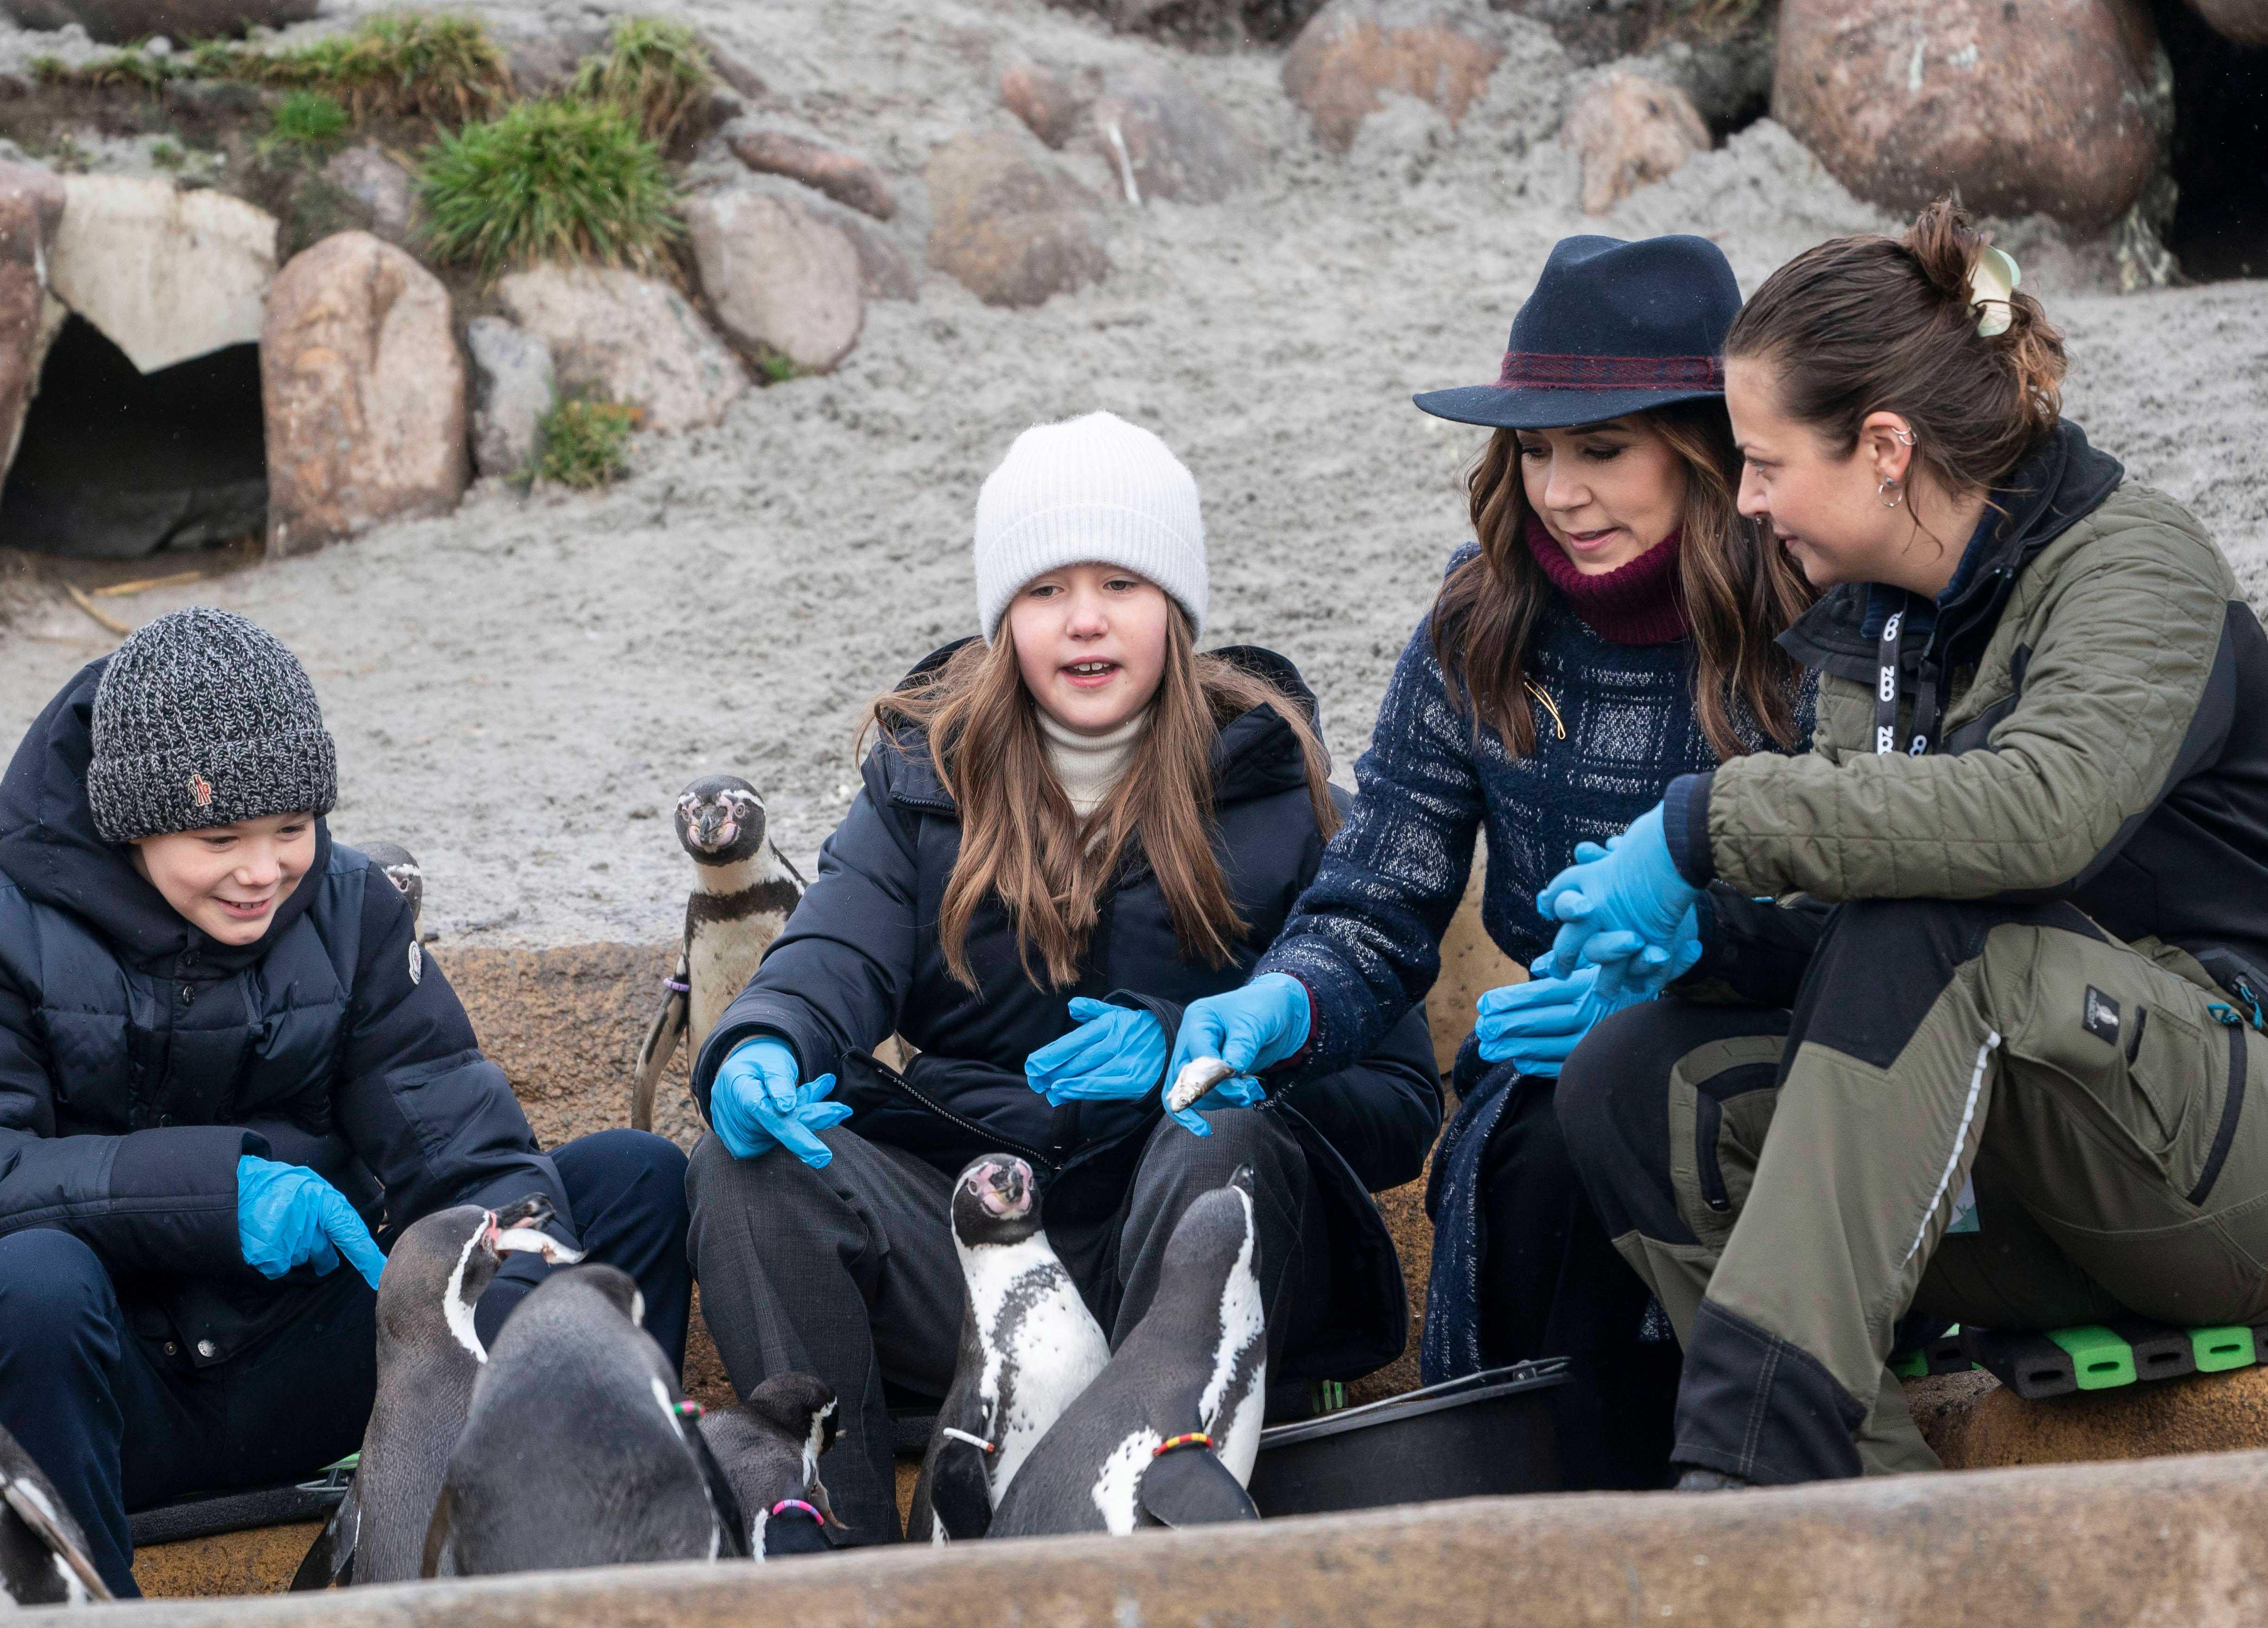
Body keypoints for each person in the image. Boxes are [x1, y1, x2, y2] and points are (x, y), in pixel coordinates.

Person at [1510, 200, 2268, 1486]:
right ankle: (1862, 1521)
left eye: (1760, 461)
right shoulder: (1877, 621)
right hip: (2024, 1191)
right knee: (1632, 1079)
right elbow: (1853, 916)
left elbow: (2037, 814)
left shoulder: (2135, 569)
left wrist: (1704, 828)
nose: (1742, 501)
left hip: (2221, 1163)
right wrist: (1708, 939)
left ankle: (1746, 1473)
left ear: (1881, 445)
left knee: (1940, 921)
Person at [684, 411, 1442, 1538]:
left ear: (1177, 610)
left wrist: (1192, 1052)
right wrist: (761, 1045)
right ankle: (834, 1571)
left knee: (1219, 1139)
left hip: (1186, 1270)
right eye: (1043, 592)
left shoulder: (1281, 788)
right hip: (986, 1258)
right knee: (747, 1165)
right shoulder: (920, 779)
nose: (1083, 621)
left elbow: (1395, 1106)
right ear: (1001, 622)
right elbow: (830, 954)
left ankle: (1147, 1523)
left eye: (1122, 584)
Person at [1171, 234, 1815, 1490]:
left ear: (1705, 444)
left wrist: (1679, 972)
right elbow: (1379, 893)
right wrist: (1282, 1001)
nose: (1558, 491)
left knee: (1602, 1127)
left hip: (1785, 1060)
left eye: (1601, 447)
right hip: (1540, 1087)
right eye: (1534, 450)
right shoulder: (1477, 619)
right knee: (1532, 1154)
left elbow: (1869, 895)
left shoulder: (1811, 615)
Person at [0, 607, 691, 1595]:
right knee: (29, 1279)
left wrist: (507, 1338)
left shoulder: (351, 909)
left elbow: (462, 1142)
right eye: (220, 836)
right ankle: (85, 1611)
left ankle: (557, 1544)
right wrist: (217, 1200)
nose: (262, 871)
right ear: (130, 821)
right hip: (112, 1394)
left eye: (291, 830)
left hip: (320, 1366)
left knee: (626, 1183)